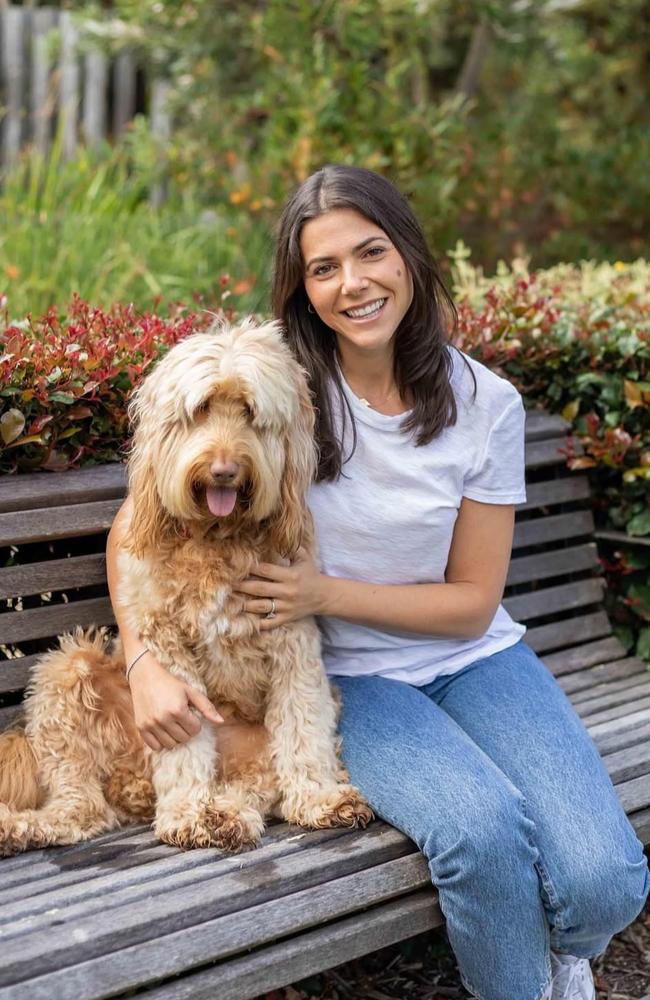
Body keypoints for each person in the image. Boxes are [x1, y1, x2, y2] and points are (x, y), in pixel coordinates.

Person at [106, 165, 649, 1000]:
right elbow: (133, 528)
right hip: (348, 680)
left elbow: (472, 604)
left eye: (371, 253)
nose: (352, 283)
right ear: (303, 288)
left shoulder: (485, 403)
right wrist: (141, 661)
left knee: (605, 882)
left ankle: (558, 946)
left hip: (473, 657)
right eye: (324, 268)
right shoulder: (278, 386)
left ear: (410, 258)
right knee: (480, 834)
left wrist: (322, 595)